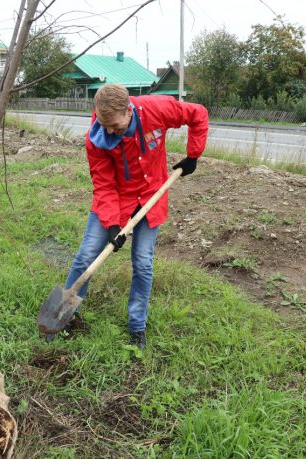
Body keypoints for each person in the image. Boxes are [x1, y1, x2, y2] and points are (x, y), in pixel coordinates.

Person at [61, 83, 209, 349]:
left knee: (142, 263)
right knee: (86, 256)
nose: (109, 132)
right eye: (105, 125)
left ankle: (137, 327)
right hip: (115, 197)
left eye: (115, 126)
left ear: (129, 110)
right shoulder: (97, 136)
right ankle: (66, 315)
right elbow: (104, 183)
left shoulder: (158, 109)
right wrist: (114, 225)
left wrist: (193, 155)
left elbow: (198, 114)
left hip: (152, 195)